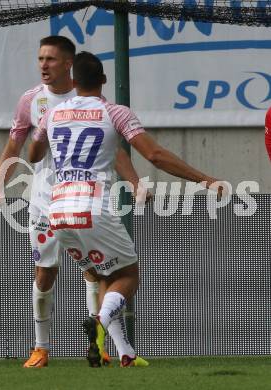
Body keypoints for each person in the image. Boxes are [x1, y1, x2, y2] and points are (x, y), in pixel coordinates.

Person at [30, 51, 223, 367]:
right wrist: (204, 179)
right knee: (128, 276)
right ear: (103, 80)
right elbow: (156, 155)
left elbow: (35, 152)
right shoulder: (114, 112)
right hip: (93, 207)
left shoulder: (54, 112)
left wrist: (46, 134)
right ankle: (99, 323)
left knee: (102, 273)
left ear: (74, 81)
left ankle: (126, 354)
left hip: (58, 210)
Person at [0, 36, 142, 368]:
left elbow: (111, 146)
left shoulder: (89, 98)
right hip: (45, 198)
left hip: (80, 195)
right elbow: (16, 141)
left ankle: (97, 345)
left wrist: (132, 180)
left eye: (51, 59)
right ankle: (41, 347)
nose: (44, 65)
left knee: (95, 271)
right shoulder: (31, 100)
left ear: (69, 65)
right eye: (40, 58)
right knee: (45, 271)